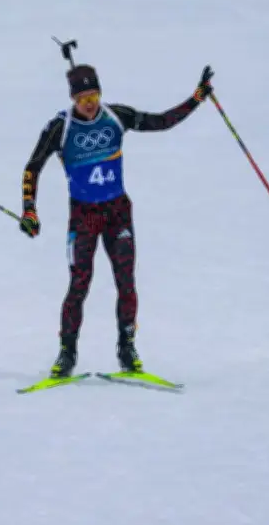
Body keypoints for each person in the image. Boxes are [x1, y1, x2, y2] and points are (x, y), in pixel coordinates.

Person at [19, 63, 214, 378]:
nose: (89, 102)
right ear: (73, 98)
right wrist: (29, 208)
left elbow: (160, 122)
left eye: (93, 94)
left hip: (117, 213)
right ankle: (67, 354)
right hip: (83, 217)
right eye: (82, 97)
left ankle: (127, 348)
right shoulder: (60, 127)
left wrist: (196, 98)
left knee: (126, 281)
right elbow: (32, 167)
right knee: (79, 285)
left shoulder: (116, 116)